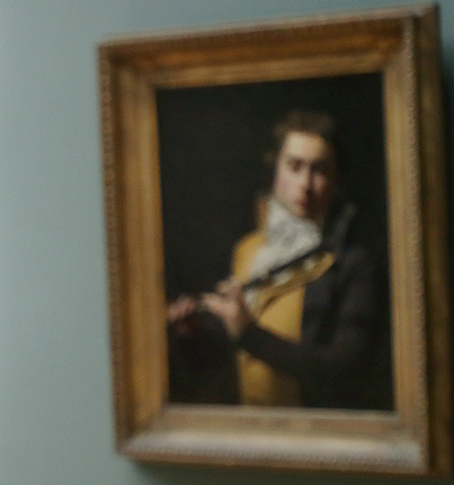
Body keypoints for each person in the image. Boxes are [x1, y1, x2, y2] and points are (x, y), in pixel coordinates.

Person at [167, 110, 392, 410]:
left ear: (336, 181)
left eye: (320, 170)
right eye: (294, 167)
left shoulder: (354, 263)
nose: (305, 184)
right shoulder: (248, 249)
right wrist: (199, 330)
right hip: (250, 425)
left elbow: (344, 369)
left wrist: (247, 332)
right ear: (275, 170)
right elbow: (239, 348)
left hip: (314, 428)